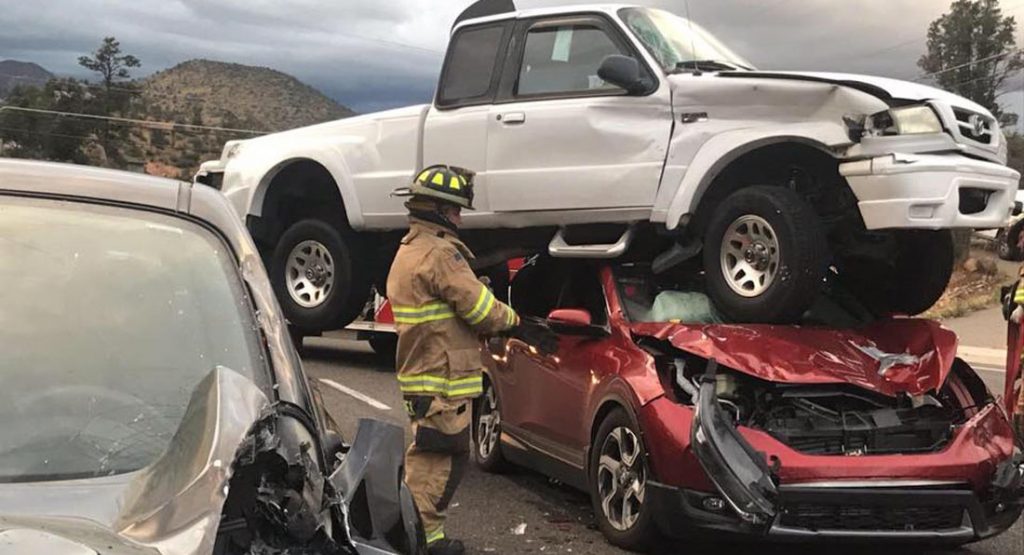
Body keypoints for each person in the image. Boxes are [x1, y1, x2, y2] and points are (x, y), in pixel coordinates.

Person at [387, 164, 557, 555]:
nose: (460, 218)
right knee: (438, 460)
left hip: (426, 375)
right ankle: (423, 543)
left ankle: (418, 536)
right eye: (456, 210)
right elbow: (480, 309)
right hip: (440, 379)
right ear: (439, 210)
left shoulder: (411, 250)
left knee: (433, 457)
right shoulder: (441, 254)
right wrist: (520, 325)